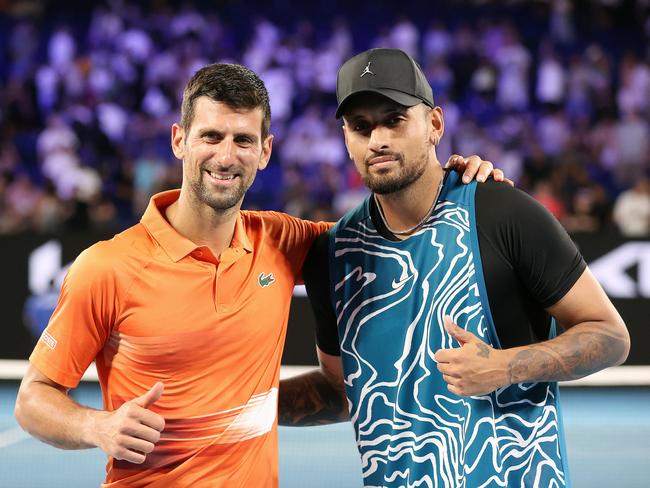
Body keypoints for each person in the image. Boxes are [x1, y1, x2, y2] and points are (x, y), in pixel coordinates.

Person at [14, 63, 500, 487]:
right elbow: (33, 398)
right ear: (180, 140)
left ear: (265, 151)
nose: (226, 157)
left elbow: (397, 231)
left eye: (243, 140)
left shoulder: (282, 241)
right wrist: (97, 427)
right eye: (211, 136)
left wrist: (454, 183)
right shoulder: (107, 267)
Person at [279, 48, 630, 487]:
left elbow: (611, 336)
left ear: (435, 125)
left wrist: (505, 367)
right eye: (361, 127)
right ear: (346, 140)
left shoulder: (502, 211)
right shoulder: (335, 254)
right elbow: (340, 393)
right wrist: (227, 400)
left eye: (394, 119)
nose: (378, 140)